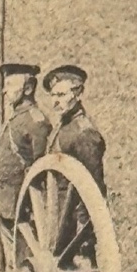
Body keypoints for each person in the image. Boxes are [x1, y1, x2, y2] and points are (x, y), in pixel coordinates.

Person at [0, 62, 52, 224]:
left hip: (23, 205)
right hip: (5, 201)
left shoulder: (36, 122)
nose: (4, 91)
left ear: (28, 89)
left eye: (10, 85)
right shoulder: (16, 117)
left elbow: (41, 170)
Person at [44, 64, 107, 195]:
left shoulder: (85, 133)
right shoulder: (62, 126)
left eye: (61, 95)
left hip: (74, 213)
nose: (55, 101)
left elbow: (93, 189)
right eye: (53, 95)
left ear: (79, 94)